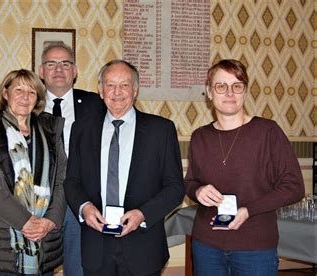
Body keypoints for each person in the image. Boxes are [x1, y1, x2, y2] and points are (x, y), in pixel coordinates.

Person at [184, 59, 305, 276]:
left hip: (255, 246)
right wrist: (198, 190)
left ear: (245, 92)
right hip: (207, 244)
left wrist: (249, 210)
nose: (229, 92)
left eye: (237, 86)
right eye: (221, 86)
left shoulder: (268, 132)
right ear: (209, 93)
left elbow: (294, 187)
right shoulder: (199, 137)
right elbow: (190, 181)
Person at [64, 59, 185, 275]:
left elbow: (175, 188)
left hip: (144, 247)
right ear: (101, 91)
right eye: (110, 85)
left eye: (125, 85)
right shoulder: (81, 129)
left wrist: (143, 214)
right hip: (95, 246)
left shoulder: (161, 130)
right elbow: (72, 181)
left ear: (135, 90)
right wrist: (84, 207)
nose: (117, 92)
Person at [0, 69, 67, 275]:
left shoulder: (50, 130)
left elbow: (62, 178)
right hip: (1, 239)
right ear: (5, 93)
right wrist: (24, 221)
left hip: (44, 236)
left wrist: (50, 220)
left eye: (31, 92)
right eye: (19, 90)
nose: (25, 97)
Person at [38, 42, 104, 275]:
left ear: (74, 71)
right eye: (51, 64)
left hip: (82, 202)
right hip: (41, 205)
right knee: (38, 267)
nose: (58, 69)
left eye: (65, 63)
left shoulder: (97, 104)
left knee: (79, 269)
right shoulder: (28, 106)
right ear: (41, 71)